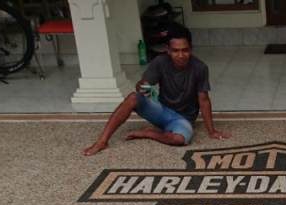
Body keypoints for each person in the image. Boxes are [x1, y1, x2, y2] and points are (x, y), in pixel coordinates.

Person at [82, 26, 229, 156]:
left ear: (191, 49)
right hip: (162, 111)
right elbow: (142, 86)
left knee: (179, 139)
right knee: (133, 97)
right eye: (175, 51)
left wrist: (212, 131)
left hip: (183, 119)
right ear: (168, 50)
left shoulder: (200, 68)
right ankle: (102, 141)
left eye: (185, 50)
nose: (180, 55)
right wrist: (143, 87)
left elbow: (204, 100)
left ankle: (150, 133)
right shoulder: (160, 62)